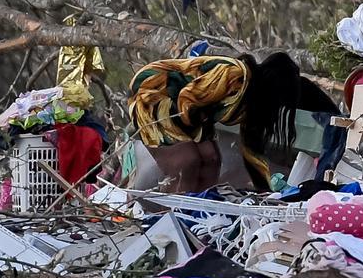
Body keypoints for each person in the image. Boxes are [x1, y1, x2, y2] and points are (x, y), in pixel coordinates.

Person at [128, 48, 338, 192]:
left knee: (211, 160)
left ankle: (200, 206)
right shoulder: (235, 74)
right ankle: (175, 210)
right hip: (155, 95)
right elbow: (187, 100)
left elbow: (251, 151)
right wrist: (197, 140)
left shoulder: (251, 103)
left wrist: (264, 189)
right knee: (187, 161)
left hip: (191, 115)